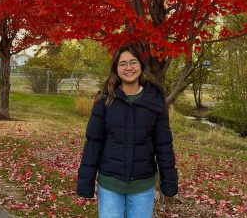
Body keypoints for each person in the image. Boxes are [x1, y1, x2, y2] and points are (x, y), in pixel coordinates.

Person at [76, 45, 178, 218]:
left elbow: (163, 143)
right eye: (123, 63)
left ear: (141, 66)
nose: (128, 67)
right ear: (116, 68)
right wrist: (85, 182)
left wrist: (169, 181)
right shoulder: (105, 99)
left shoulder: (154, 99)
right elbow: (94, 142)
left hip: (142, 186)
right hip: (110, 184)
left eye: (133, 62)